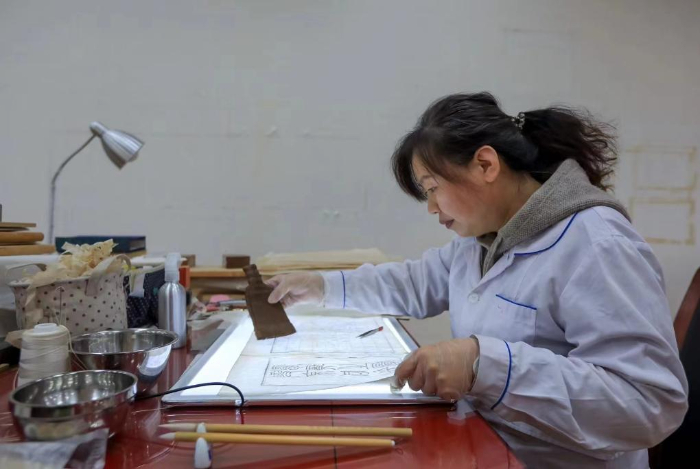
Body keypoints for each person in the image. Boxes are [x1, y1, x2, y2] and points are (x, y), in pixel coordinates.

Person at [266, 92, 688, 468]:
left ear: (486, 164)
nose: (431, 207)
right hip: (482, 445)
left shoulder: (596, 243)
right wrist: (321, 286)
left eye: (432, 187)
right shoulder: (482, 241)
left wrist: (486, 366)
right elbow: (415, 282)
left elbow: (649, 404)